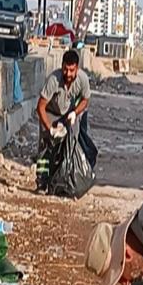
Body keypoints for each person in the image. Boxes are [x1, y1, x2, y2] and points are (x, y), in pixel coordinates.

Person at [36, 49, 93, 189]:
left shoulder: (82, 79)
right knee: (46, 148)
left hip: (68, 114)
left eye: (71, 70)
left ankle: (63, 178)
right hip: (50, 113)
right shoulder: (53, 80)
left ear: (77, 68)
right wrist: (49, 129)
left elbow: (86, 100)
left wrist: (75, 112)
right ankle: (42, 182)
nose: (68, 74)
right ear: (62, 66)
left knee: (69, 145)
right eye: (65, 69)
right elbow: (41, 106)